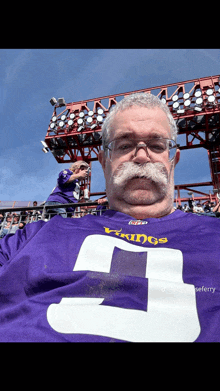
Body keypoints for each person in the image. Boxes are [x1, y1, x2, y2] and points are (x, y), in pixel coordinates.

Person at [0, 93, 220, 342]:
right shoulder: (36, 235)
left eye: (157, 145)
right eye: (124, 145)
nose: (141, 156)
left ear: (173, 161)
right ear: (104, 162)